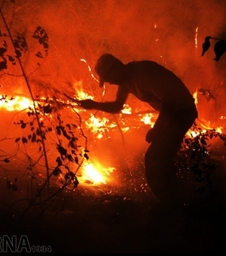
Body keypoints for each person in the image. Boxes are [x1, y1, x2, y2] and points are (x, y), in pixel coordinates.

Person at [78, 53, 198, 206]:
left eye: (108, 78)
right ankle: (179, 198)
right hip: (173, 114)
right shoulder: (126, 81)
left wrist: (157, 129)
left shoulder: (142, 73)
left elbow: (169, 100)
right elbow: (117, 106)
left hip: (182, 111)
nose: (110, 83)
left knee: (154, 159)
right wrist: (94, 104)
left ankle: (172, 204)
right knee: (160, 158)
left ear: (115, 68)